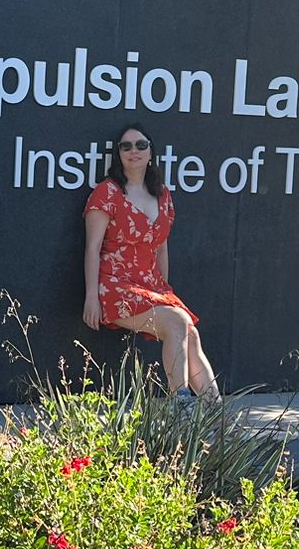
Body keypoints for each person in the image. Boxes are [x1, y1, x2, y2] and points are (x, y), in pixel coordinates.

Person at [82, 123, 220, 402]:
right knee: (178, 322)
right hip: (114, 285)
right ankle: (179, 405)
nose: (134, 151)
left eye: (141, 145)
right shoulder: (107, 192)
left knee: (189, 331)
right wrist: (91, 297)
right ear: (118, 154)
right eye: (126, 146)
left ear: (151, 152)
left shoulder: (163, 195)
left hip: (151, 285)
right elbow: (93, 248)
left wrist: (164, 294)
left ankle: (216, 415)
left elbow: (161, 248)